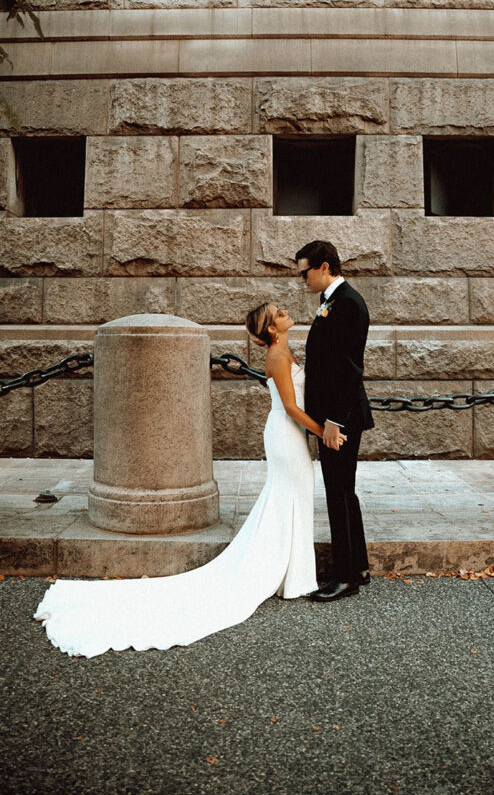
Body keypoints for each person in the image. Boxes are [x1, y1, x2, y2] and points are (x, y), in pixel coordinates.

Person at [33, 303, 342, 658]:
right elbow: (289, 406)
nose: (286, 311)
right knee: (289, 496)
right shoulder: (276, 355)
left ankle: (293, 575)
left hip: (290, 436)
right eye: (278, 312)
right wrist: (324, 433)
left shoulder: (284, 348)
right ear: (272, 329)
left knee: (293, 498)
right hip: (286, 435)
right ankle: (290, 577)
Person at [296, 240, 374, 603]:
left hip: (338, 419)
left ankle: (347, 577)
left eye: (305, 272)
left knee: (339, 493)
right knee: (343, 492)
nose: (302, 279)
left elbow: (348, 370)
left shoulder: (347, 304)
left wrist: (332, 422)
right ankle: (356, 566)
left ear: (324, 267)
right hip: (333, 416)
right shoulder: (331, 301)